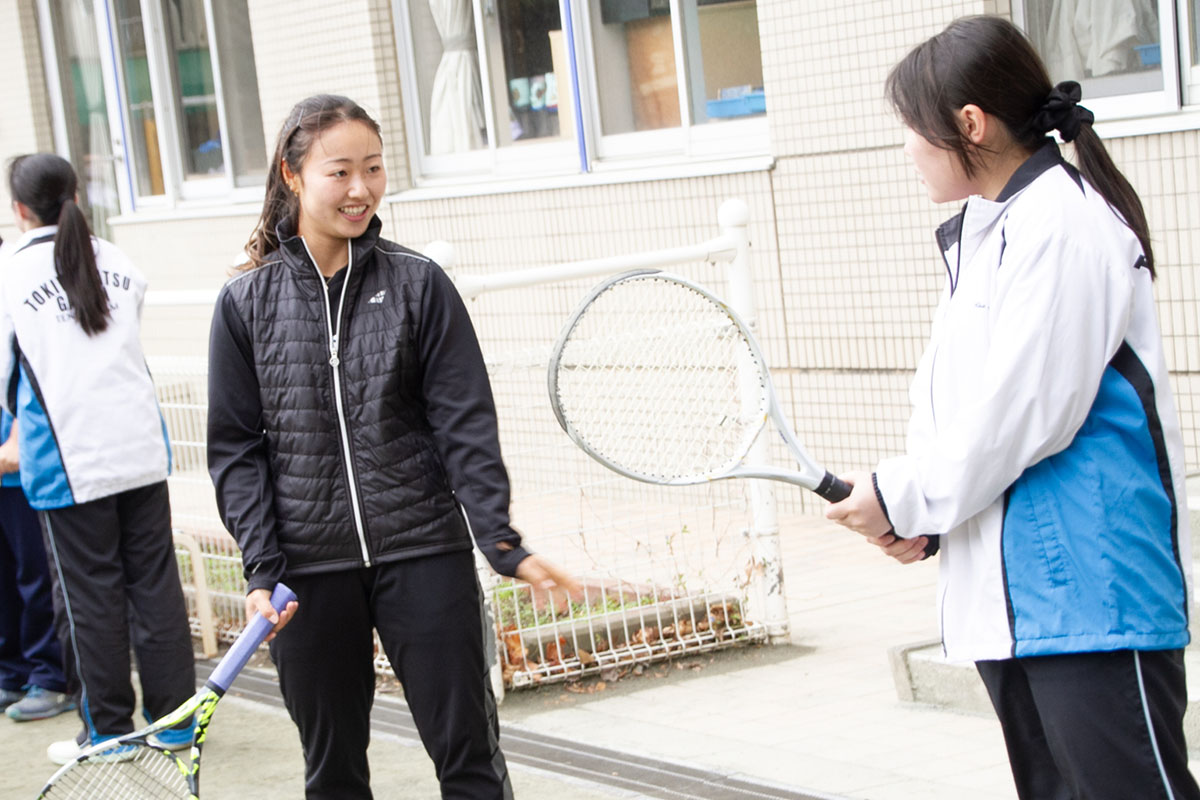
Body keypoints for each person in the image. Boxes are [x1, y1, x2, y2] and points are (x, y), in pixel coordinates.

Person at [825, 15, 1199, 800]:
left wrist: (900, 496)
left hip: (1093, 597)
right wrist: (925, 521)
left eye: (911, 129)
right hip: (1019, 602)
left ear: (970, 123)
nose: (905, 149)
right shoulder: (988, 233)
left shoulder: (1062, 227)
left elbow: (1022, 415)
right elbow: (963, 420)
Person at [206, 94, 578, 800]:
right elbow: (236, 450)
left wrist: (500, 540)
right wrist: (261, 569)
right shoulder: (244, 303)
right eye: (339, 171)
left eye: (373, 169)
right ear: (292, 175)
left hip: (423, 551)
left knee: (469, 759)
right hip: (306, 574)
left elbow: (463, 421)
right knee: (335, 773)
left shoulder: (418, 285)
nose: (360, 189)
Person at [0, 153, 197, 763]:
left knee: (89, 598)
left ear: (18, 208)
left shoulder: (10, 276)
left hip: (68, 459)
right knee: (155, 589)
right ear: (78, 195)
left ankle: (106, 732)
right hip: (139, 448)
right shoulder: (118, 261)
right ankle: (175, 724)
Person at [0, 406, 73, 722]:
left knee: (38, 575)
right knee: (4, 582)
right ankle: (12, 672)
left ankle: (52, 676)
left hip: (25, 463)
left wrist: (16, 437)